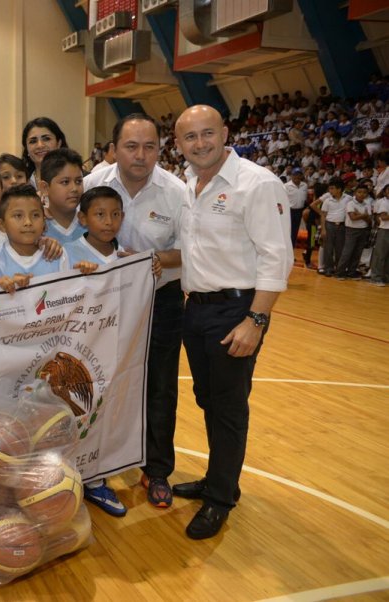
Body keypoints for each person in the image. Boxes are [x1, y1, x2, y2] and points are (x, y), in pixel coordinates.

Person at [172, 104, 292, 540]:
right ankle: (217, 477)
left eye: (207, 133)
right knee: (208, 399)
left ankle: (221, 497)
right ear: (179, 143)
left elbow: (277, 257)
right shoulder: (188, 183)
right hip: (197, 308)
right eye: (190, 137)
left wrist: (256, 320)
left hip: (237, 310)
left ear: (225, 132)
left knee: (228, 408)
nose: (200, 143)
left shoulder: (257, 184)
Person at [82, 114, 184, 509]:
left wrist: (153, 258)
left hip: (162, 300)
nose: (141, 156)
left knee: (160, 385)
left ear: (160, 149)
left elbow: (189, 249)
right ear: (114, 148)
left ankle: (157, 469)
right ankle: (98, 465)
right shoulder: (93, 185)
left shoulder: (177, 191)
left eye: (150, 147)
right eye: (131, 146)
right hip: (101, 304)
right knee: (100, 383)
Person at [0, 184, 69, 291]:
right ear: (1, 224)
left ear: (44, 221)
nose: (28, 222)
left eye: (35, 215)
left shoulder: (57, 255)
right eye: (18, 216)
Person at [38, 148, 84, 245]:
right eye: (65, 182)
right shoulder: (36, 227)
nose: (74, 188)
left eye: (79, 181)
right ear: (45, 188)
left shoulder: (91, 224)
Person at [312, 178, 351, 276]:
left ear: (339, 189)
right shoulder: (327, 200)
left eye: (332, 188)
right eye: (330, 189)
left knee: (340, 248)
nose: (330, 191)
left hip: (342, 226)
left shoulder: (348, 199)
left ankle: (338, 269)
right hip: (329, 225)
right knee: (328, 248)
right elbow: (323, 215)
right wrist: (323, 229)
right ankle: (328, 268)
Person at [335, 184, 372, 280]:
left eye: (364, 192)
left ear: (367, 194)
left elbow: (369, 220)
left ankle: (351, 272)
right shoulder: (351, 203)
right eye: (359, 192)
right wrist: (364, 215)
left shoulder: (367, 204)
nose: (362, 194)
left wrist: (360, 215)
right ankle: (340, 272)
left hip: (363, 230)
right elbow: (353, 218)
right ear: (355, 193)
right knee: (347, 251)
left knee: (357, 252)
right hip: (351, 230)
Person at [21, 116, 68, 186]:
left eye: (46, 139)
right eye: (33, 141)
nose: (40, 145)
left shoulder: (79, 179)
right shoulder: (21, 182)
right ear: (26, 148)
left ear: (59, 143)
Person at [284, 167, 309, 246]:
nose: (297, 177)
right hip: (289, 211)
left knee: (295, 232)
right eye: (295, 175)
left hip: (299, 211)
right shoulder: (286, 186)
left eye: (299, 175)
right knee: (287, 231)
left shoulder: (305, 185)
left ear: (301, 176)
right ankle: (286, 250)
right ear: (291, 175)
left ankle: (292, 250)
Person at [370, 186, 389, 286]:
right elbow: (384, 217)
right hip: (385, 230)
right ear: (385, 193)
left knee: (387, 256)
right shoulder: (384, 202)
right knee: (380, 255)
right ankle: (376, 277)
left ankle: (385, 277)